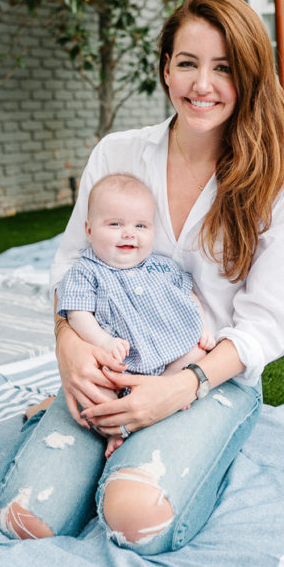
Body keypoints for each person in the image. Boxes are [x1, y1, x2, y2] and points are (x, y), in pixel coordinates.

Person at [0, 0, 284, 554]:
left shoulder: (282, 185)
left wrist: (176, 391)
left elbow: (264, 324)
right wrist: (70, 347)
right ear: (166, 68)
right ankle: (73, 429)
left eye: (224, 68)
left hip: (210, 376)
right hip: (110, 367)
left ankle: (169, 452)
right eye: (187, 63)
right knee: (25, 520)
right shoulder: (117, 155)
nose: (202, 85)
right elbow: (72, 264)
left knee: (133, 520)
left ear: (250, 77)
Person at [56, 171, 215, 458]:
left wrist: (202, 327)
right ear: (89, 230)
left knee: (197, 354)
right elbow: (78, 313)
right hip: (119, 365)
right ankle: (115, 430)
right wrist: (103, 342)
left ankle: (164, 394)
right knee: (96, 393)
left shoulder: (161, 267)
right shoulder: (86, 271)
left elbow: (189, 297)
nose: (129, 233)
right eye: (115, 224)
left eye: (141, 225)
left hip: (168, 356)